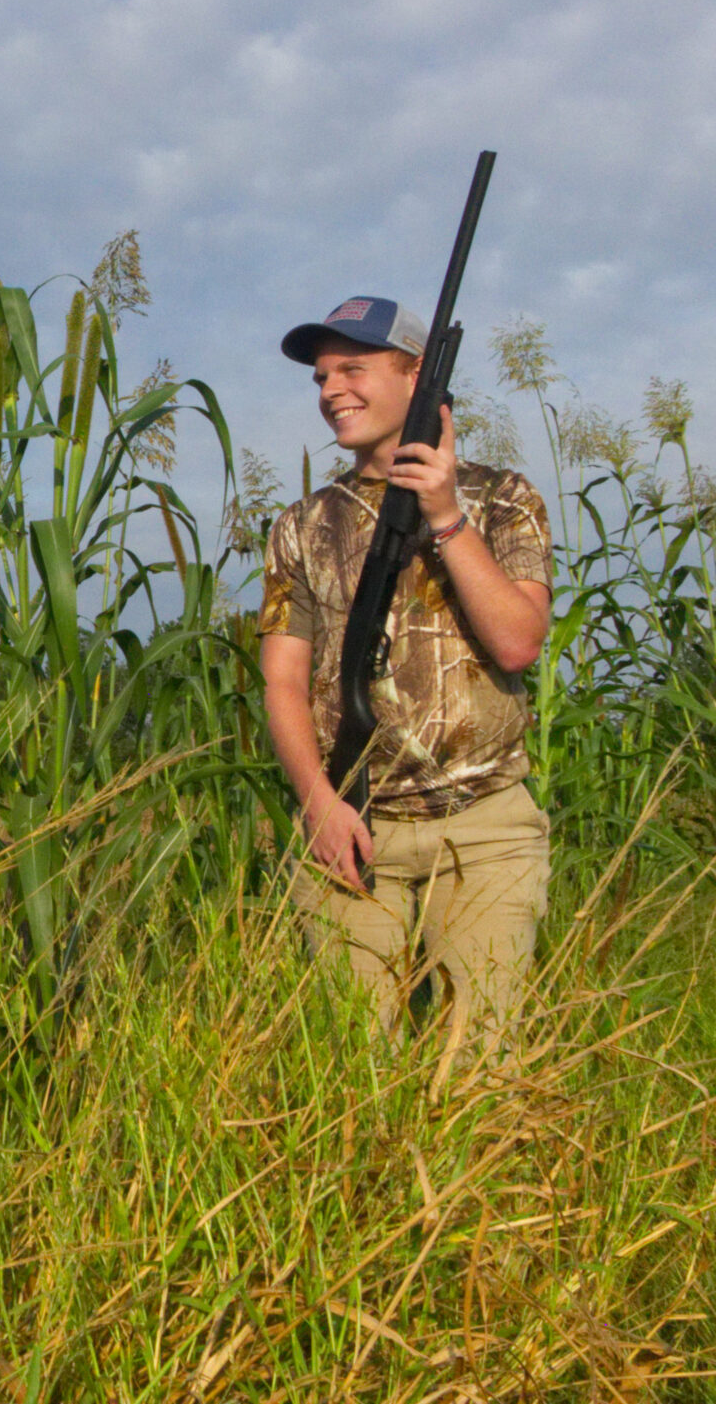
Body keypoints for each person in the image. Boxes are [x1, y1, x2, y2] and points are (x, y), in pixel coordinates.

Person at [257, 295, 553, 1056]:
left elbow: (519, 644)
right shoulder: (301, 526)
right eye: (322, 376)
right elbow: (283, 681)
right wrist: (319, 802)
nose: (330, 391)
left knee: (481, 1070)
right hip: (351, 828)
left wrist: (446, 514)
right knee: (351, 1072)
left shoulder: (505, 499)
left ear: (418, 376)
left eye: (353, 368)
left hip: (485, 828)